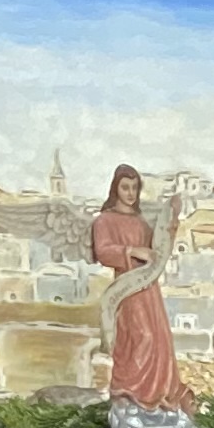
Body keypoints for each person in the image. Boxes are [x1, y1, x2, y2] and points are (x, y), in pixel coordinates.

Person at [92, 164, 189, 412]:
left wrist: (171, 223)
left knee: (158, 339)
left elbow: (157, 247)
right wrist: (133, 251)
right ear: (115, 189)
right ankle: (130, 394)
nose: (130, 193)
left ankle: (159, 396)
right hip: (127, 288)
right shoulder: (105, 220)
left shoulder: (140, 221)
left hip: (148, 288)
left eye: (134, 188)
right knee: (138, 337)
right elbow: (103, 251)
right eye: (125, 187)